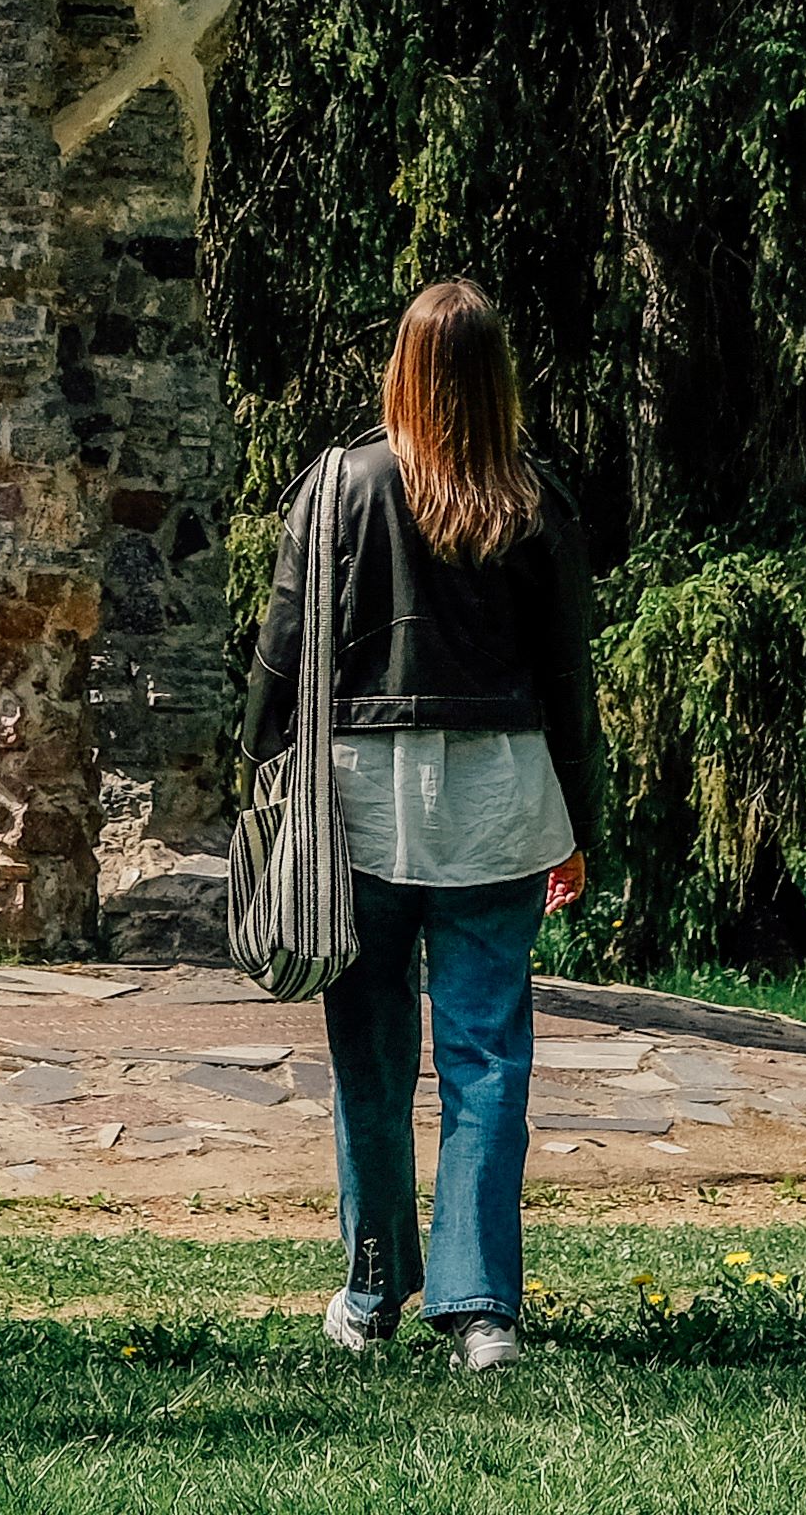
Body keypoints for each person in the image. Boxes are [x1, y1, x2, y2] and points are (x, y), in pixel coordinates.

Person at [248, 280, 602, 1369]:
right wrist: (578, 825)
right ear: (498, 378)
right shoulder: (534, 499)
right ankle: (482, 1308)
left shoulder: (338, 482)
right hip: (499, 804)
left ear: (401, 367)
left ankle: (370, 1288)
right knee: (487, 1056)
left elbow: (282, 646)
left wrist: (258, 779)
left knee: (368, 1055)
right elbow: (568, 682)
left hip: (354, 804)